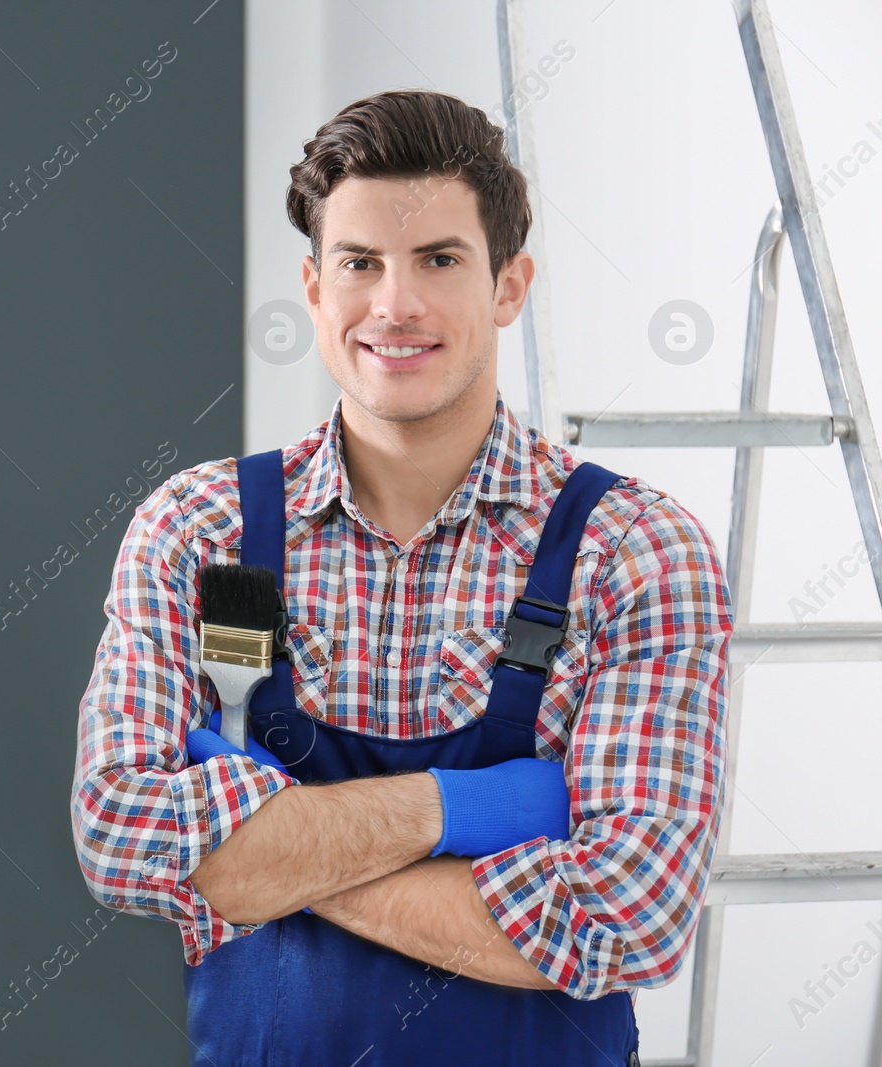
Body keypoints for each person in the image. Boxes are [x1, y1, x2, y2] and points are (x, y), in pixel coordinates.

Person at [69, 89, 733, 1066]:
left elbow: (628, 916)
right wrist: (461, 811)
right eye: (359, 263)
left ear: (509, 285)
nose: (394, 304)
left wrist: (263, 853)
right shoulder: (198, 530)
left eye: (437, 259)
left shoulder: (633, 549)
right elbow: (119, 833)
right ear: (312, 287)